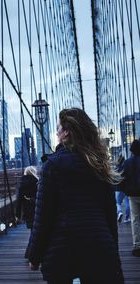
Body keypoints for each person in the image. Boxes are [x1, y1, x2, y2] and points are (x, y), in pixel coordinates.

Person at [28, 108, 124, 284]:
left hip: (63, 250)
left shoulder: (52, 165)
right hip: (100, 248)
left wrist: (34, 256)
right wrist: (112, 250)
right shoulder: (100, 165)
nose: (56, 132)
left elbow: (43, 217)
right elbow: (110, 215)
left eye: (58, 128)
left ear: (66, 132)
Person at [122, 139, 140, 257]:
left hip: (133, 194)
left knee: (135, 220)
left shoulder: (127, 163)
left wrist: (126, 191)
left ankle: (137, 245)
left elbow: (123, 179)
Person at [16, 166, 38, 258]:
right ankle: (30, 254)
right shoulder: (37, 182)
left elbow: (19, 201)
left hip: (27, 212)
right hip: (37, 210)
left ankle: (30, 253)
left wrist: (17, 215)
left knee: (33, 232)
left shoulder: (22, 183)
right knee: (35, 233)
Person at [115, 155, 130, 223]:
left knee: (118, 203)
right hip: (126, 188)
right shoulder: (126, 168)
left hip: (118, 188)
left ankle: (120, 212)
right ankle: (127, 218)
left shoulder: (117, 168)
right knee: (127, 203)